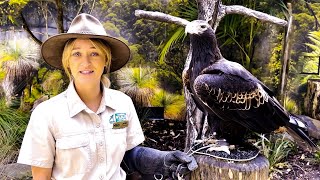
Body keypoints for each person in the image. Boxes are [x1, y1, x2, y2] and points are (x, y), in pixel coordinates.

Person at [17, 13, 197, 180]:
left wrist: (162, 160)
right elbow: (41, 177)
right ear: (67, 62)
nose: (86, 62)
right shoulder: (46, 114)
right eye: (76, 53)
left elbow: (128, 156)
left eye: (94, 53)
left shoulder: (122, 103)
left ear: (106, 60)